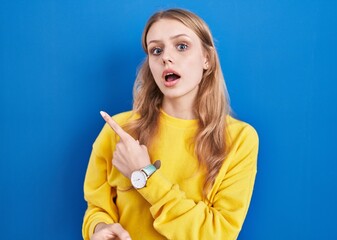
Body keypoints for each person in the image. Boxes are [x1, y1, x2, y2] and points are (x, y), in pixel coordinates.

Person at [82, 8, 259, 240]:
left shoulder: (240, 139)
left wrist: (143, 175)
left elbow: (218, 234)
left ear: (207, 58)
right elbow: (97, 208)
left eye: (182, 46)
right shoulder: (118, 129)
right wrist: (100, 229)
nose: (166, 57)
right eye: (156, 50)